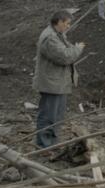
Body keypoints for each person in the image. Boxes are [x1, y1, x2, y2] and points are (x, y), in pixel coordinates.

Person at [33, 10, 85, 148]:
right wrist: (78, 48)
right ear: (60, 22)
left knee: (56, 116)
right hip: (52, 84)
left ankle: (52, 143)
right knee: (48, 116)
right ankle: (43, 145)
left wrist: (73, 49)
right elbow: (65, 57)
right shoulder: (49, 38)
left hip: (58, 83)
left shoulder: (57, 34)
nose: (68, 26)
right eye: (67, 23)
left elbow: (65, 51)